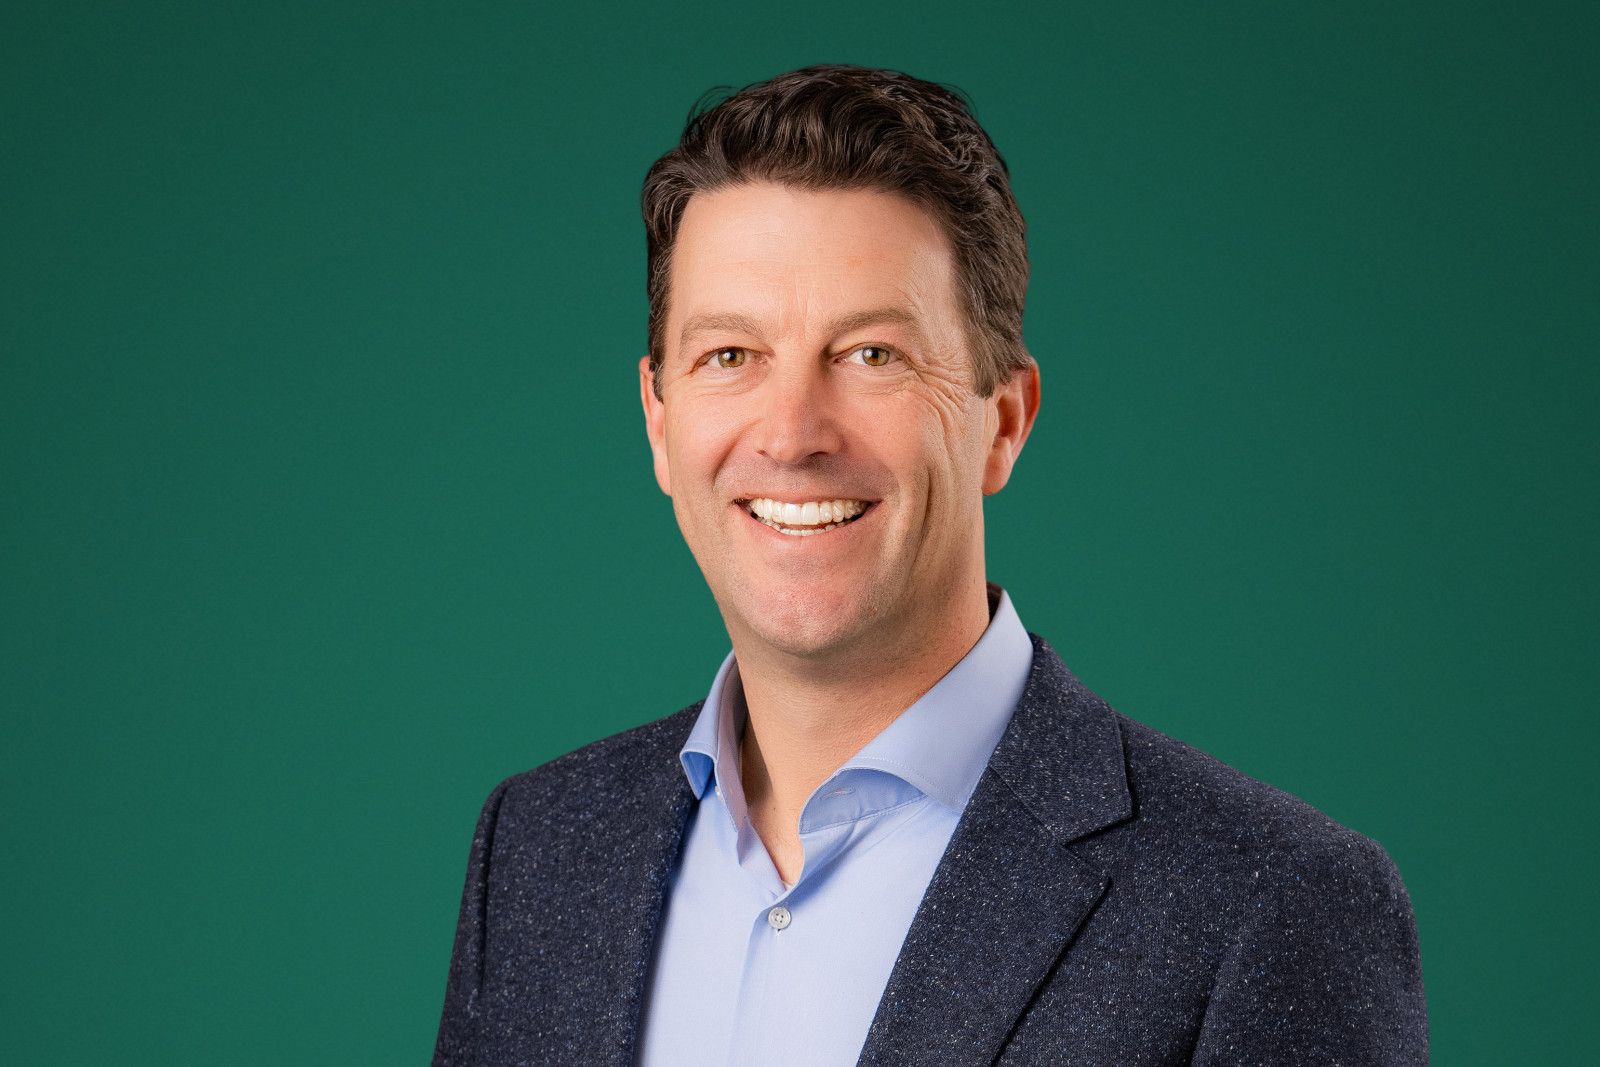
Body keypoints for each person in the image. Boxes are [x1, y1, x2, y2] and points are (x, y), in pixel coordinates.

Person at [432, 65, 1427, 1066]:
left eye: (872, 355)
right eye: (730, 355)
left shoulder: (1269, 903)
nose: (792, 433)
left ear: (1005, 419)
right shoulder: (538, 850)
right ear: (658, 417)